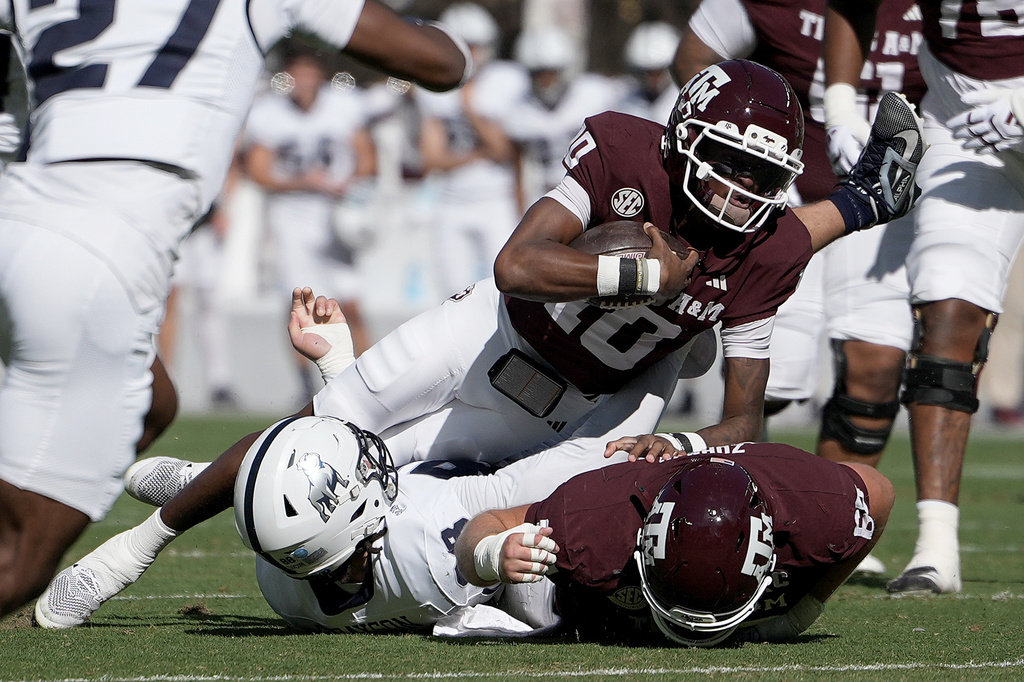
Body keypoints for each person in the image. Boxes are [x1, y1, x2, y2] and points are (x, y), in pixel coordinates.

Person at [0, 0, 470, 621]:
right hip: (103, 246)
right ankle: (125, 550)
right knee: (23, 558)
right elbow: (441, 62)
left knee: (153, 401)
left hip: (19, 214)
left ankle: (188, 490)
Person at [35, 294, 684, 630]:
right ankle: (233, 487)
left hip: (374, 525)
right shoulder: (419, 542)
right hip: (447, 500)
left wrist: (334, 366)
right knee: (581, 465)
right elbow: (528, 489)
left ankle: (212, 495)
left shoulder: (287, 582)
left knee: (311, 439)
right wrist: (676, 380)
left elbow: (340, 493)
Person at [672, 0, 925, 576]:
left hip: (883, 206)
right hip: (778, 206)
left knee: (875, 368)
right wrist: (748, 158)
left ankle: (834, 525)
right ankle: (745, 515)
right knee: (771, 382)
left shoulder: (934, 12)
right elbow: (695, 67)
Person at [824, 0, 1024, 594]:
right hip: (965, 123)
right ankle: (937, 549)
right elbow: (849, 6)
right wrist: (840, 109)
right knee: (945, 310)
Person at [454, 436, 894, 645]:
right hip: (558, 593)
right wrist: (493, 554)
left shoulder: (820, 507)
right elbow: (485, 524)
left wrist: (807, 606)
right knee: (428, 581)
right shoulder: (592, 520)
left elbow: (879, 493)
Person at [244, 44, 377, 398]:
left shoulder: (344, 106)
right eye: (297, 72)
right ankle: (307, 384)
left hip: (335, 215)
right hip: (291, 215)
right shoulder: (270, 113)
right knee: (300, 305)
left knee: (350, 301)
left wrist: (347, 185)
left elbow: (367, 158)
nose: (304, 80)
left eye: (309, 71)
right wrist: (302, 182)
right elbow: (257, 170)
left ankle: (369, 375)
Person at [416, 2, 521, 297]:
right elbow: (432, 158)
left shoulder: (507, 80)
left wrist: (469, 107)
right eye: (464, 46)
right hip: (451, 201)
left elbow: (504, 150)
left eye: (475, 46)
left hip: (496, 200)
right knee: (453, 295)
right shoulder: (431, 87)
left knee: (508, 291)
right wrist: (478, 152)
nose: (471, 55)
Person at [502, 25, 623, 207]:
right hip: (545, 192)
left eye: (551, 73)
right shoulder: (520, 109)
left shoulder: (594, 94)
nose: (546, 82)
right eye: (539, 74)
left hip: (590, 189)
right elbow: (518, 167)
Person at [615, 21, 682, 125]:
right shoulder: (628, 102)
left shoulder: (684, 103)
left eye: (657, 72)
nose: (651, 79)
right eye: (644, 72)